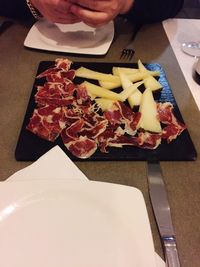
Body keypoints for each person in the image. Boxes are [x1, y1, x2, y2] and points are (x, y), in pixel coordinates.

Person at [1, 0, 184, 27]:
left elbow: (172, 3)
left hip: (124, 43)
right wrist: (32, 2)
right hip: (25, 38)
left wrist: (127, 3)